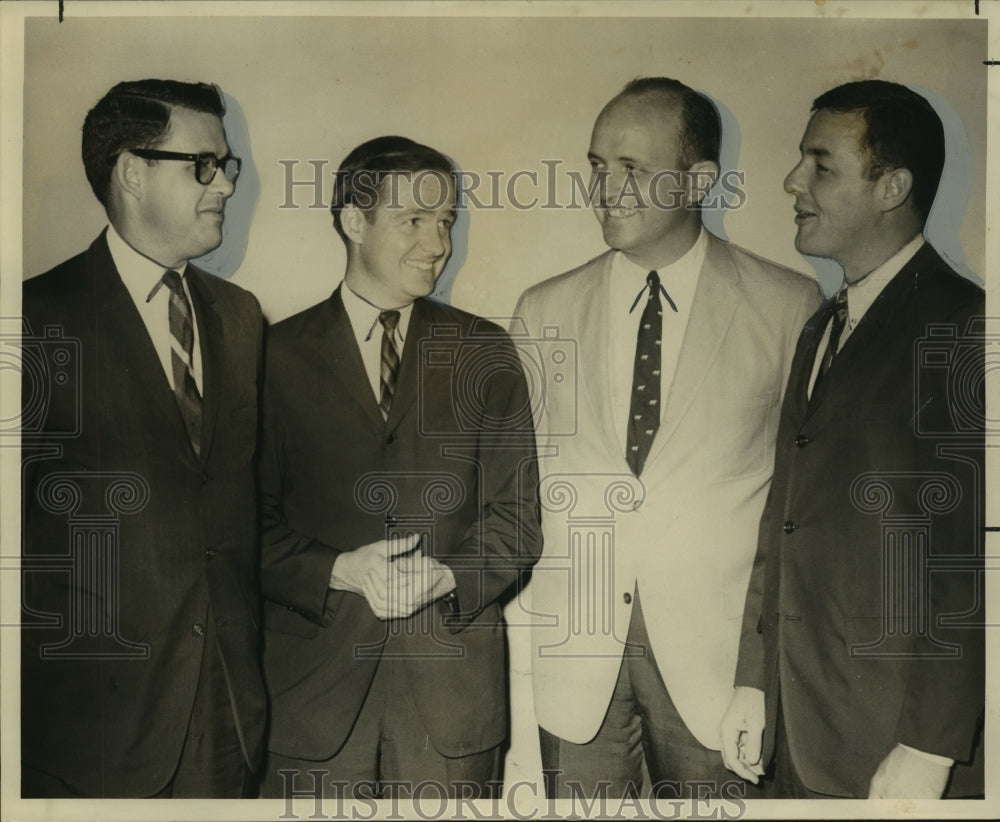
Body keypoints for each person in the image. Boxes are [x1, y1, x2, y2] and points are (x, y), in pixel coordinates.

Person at [511, 77, 822, 799]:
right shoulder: (542, 309)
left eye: (632, 170)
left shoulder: (791, 306)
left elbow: (797, 509)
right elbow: (513, 487)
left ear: (698, 180)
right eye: (596, 167)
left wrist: (765, 666)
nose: (605, 190)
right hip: (577, 662)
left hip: (721, 672)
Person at [720, 80, 984, 799]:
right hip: (796, 735)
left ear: (892, 187)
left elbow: (970, 559)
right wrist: (754, 678)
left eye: (821, 165)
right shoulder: (821, 326)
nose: (791, 182)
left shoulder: (965, 328)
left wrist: (930, 747)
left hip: (895, 753)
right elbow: (785, 519)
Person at [258, 136, 542, 800]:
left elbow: (517, 522)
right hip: (311, 704)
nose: (438, 241)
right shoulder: (270, 355)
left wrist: (447, 575)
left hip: (451, 708)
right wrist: (338, 570)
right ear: (354, 222)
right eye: (413, 220)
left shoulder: (485, 353)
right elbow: (243, 527)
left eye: (446, 220)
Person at [20, 79, 266, 797]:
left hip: (229, 721)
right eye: (203, 165)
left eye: (227, 167)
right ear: (132, 170)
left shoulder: (242, 317)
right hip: (89, 739)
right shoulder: (34, 320)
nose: (224, 184)